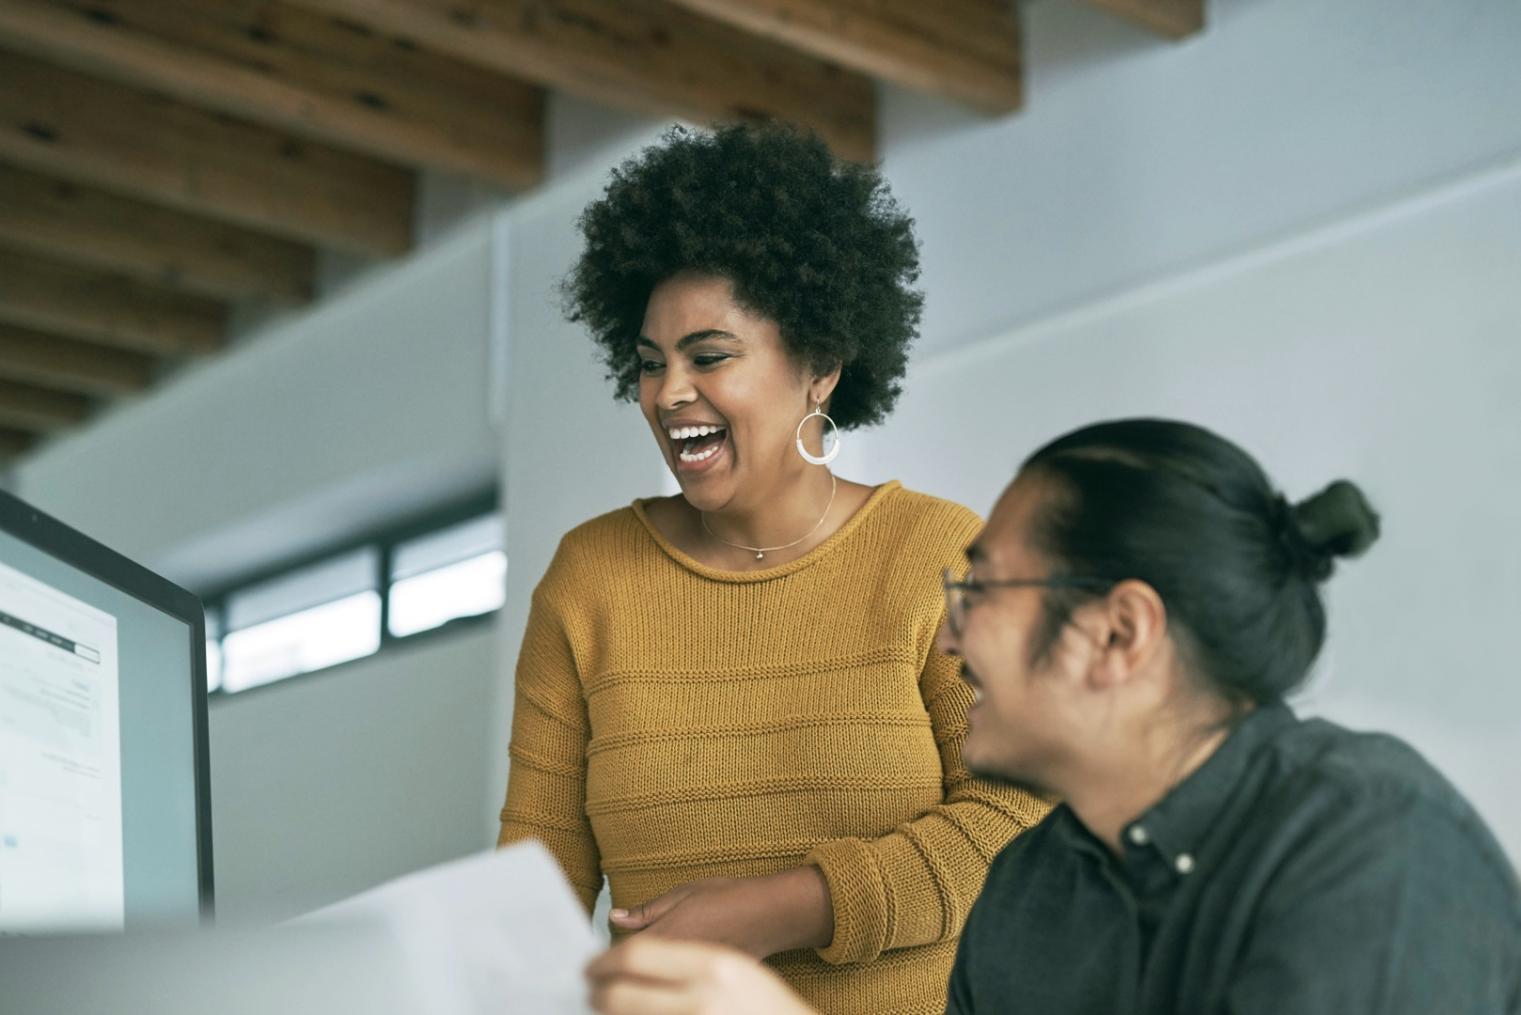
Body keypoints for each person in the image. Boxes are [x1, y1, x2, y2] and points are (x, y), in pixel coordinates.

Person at [585, 418, 1521, 1015]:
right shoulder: (1031, 889)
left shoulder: (1371, 842)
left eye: (981, 589)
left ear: (1115, 632)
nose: (949, 638)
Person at [497, 123, 1049, 1014]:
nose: (668, 392)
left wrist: (784, 906)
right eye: (648, 364)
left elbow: (1022, 816)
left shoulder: (933, 555)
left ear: (820, 367)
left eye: (709, 356)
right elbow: (537, 873)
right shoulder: (589, 579)